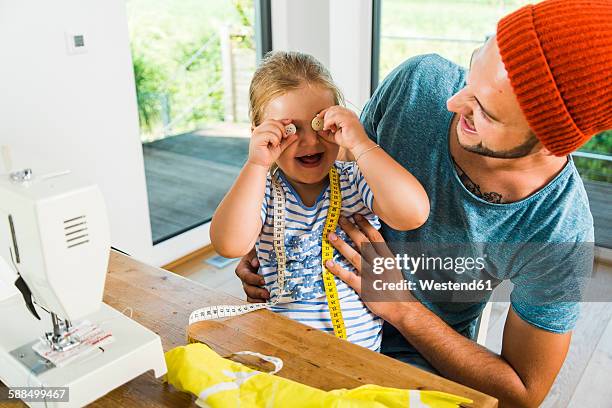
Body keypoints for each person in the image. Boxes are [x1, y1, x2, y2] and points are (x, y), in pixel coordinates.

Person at [235, 0, 612, 405]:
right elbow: (335, 168)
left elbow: (522, 394)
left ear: (550, 140)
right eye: (470, 74)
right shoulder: (417, 84)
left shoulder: (560, 233)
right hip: (302, 325)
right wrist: (272, 234)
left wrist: (401, 308)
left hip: (418, 360)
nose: (452, 103)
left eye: (482, 112)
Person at [211, 51, 429, 351]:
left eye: (318, 124)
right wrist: (256, 165)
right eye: (289, 130)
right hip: (281, 352)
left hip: (361, 360)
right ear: (260, 134)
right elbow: (228, 244)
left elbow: (413, 214)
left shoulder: (354, 180)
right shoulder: (261, 189)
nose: (310, 141)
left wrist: (361, 143)